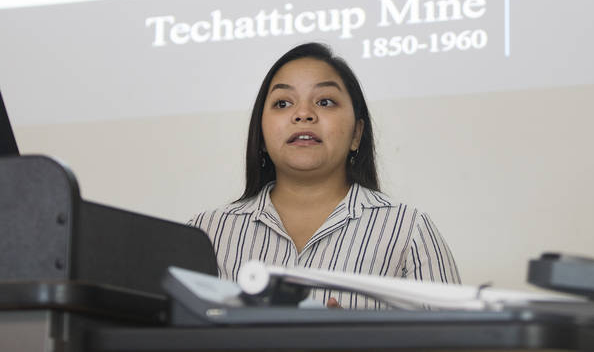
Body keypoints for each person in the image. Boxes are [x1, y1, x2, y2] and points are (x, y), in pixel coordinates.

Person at [189, 42, 461, 308]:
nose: (303, 114)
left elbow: (457, 341)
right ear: (260, 136)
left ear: (356, 133)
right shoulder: (206, 234)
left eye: (325, 101)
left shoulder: (408, 230)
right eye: (283, 103)